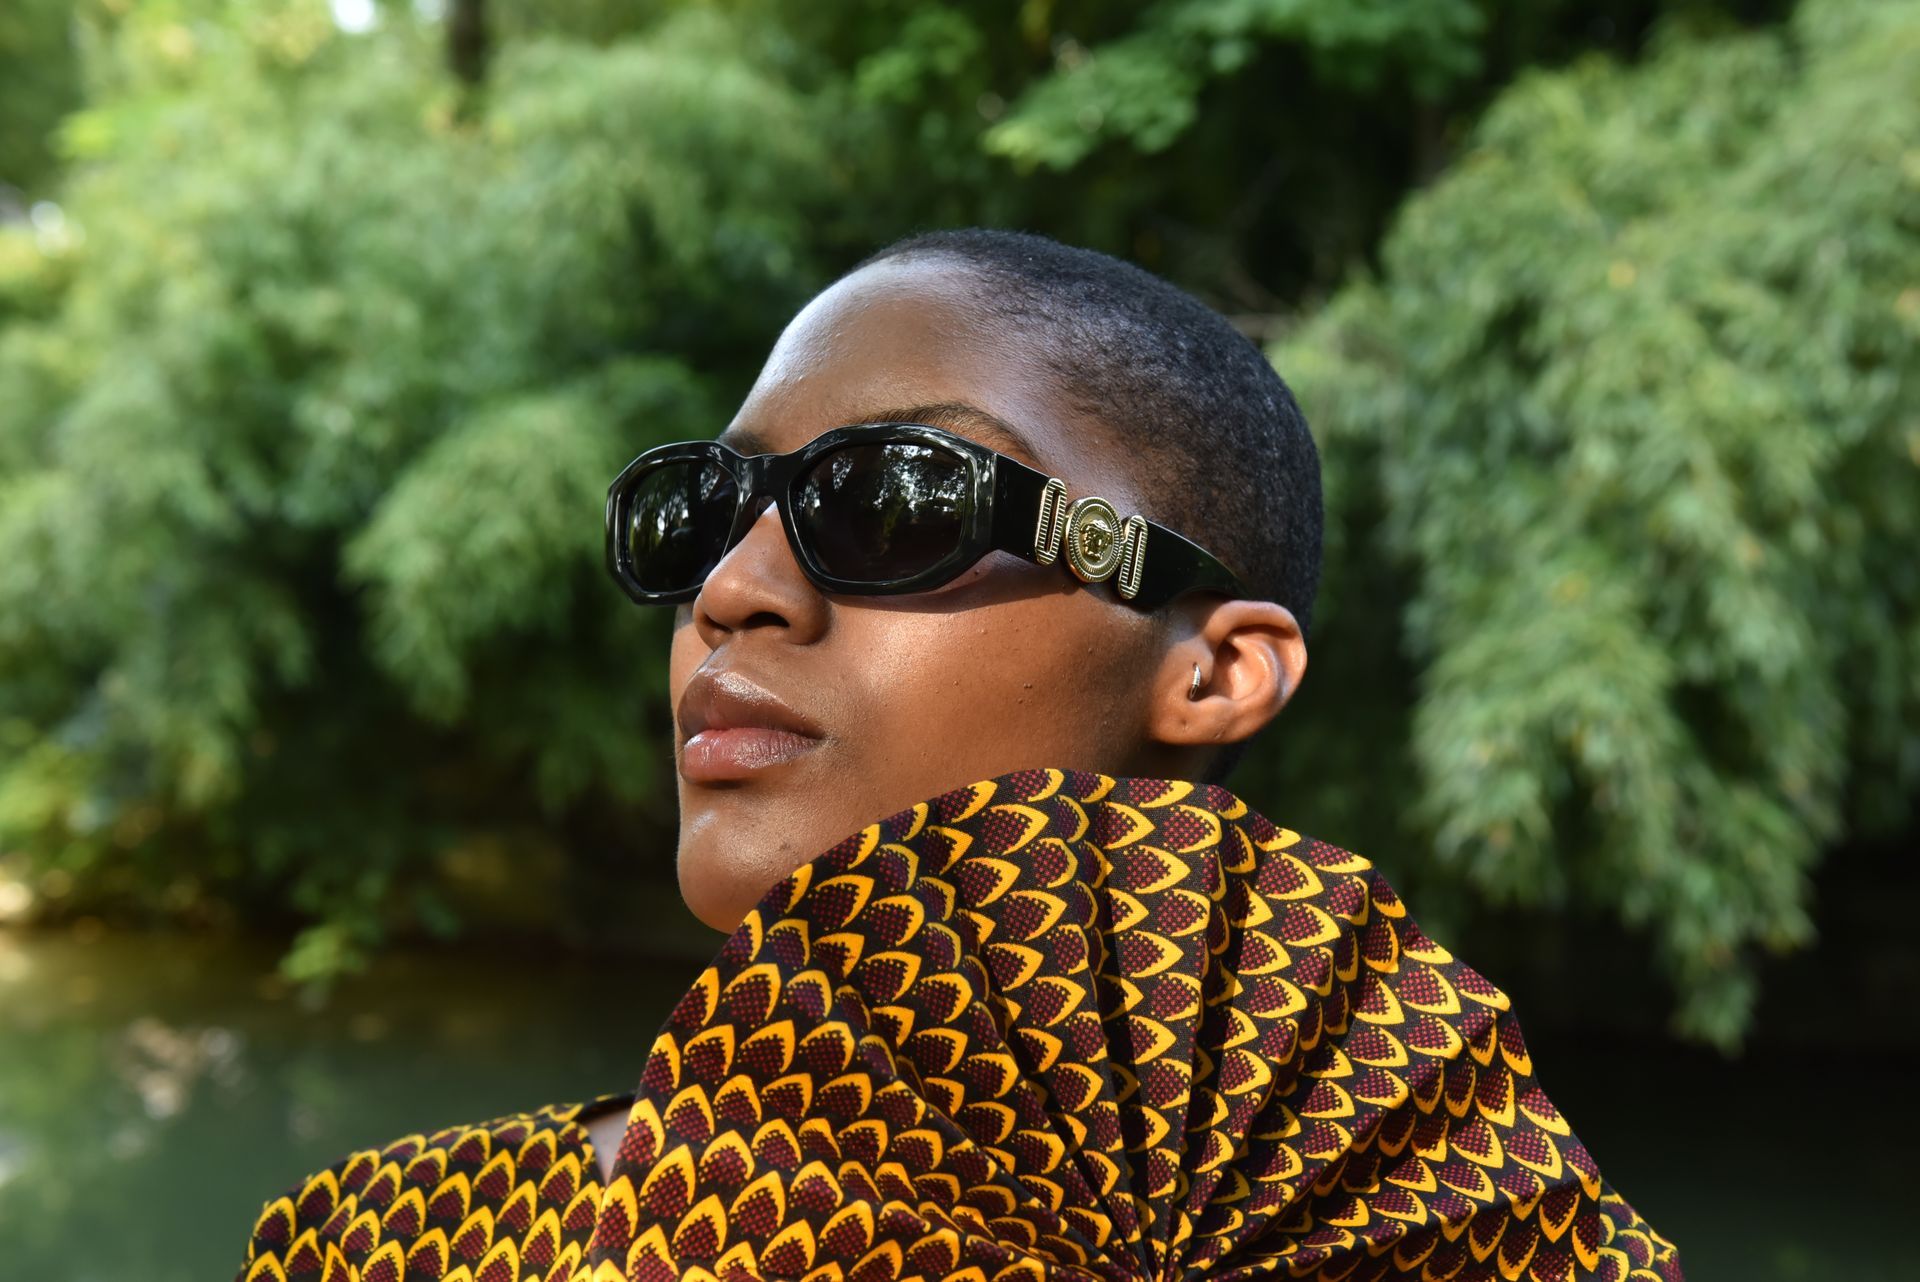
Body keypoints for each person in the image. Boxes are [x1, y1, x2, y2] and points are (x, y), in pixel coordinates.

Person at [234, 230, 1682, 1281]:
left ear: (1218, 667)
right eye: (703, 507)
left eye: (892, 502)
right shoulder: (381, 1240)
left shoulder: (1441, 1215)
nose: (733, 588)